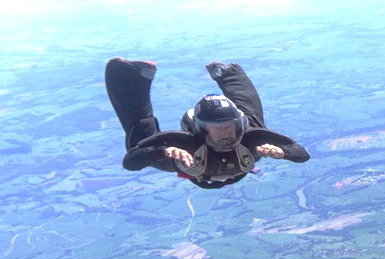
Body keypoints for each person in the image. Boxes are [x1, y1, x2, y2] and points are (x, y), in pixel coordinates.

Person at [105, 58, 309, 188]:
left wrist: (283, 152)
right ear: (200, 130)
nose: (226, 132)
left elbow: (300, 154)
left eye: (229, 126)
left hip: (211, 165)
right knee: (143, 143)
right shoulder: (185, 149)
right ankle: (228, 74)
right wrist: (163, 151)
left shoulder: (250, 140)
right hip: (198, 164)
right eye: (217, 129)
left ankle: (226, 73)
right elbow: (131, 162)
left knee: (252, 122)